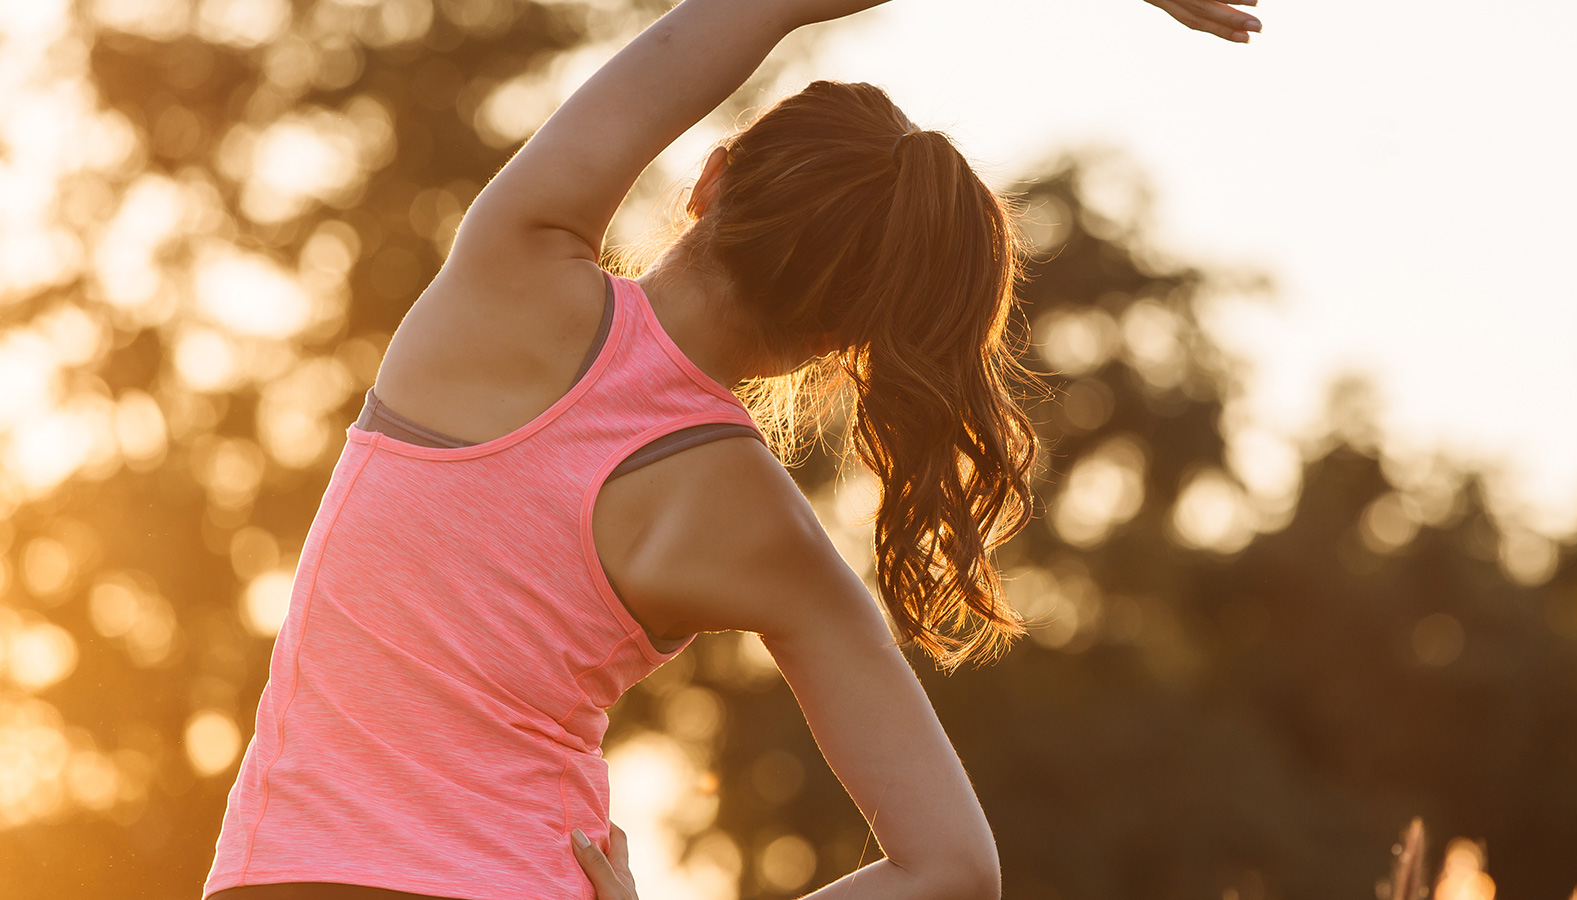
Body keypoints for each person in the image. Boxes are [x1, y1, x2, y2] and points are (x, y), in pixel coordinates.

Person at [201, 0, 1262, 897]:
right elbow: (951, 871)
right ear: (842, 340)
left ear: (710, 180)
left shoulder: (510, 275)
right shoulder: (767, 533)